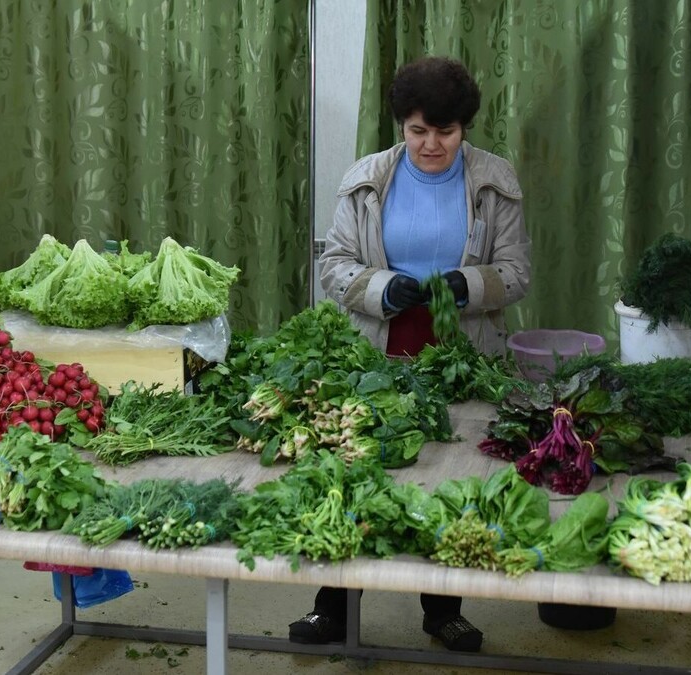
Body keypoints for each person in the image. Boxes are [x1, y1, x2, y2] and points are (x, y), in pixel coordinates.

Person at [290, 56, 531, 652]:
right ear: (402, 125)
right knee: (358, 471)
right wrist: (378, 287)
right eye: (418, 131)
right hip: (381, 345)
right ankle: (335, 608)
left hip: (462, 348)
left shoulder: (494, 181)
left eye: (445, 133)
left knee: (449, 474)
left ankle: (443, 609)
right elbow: (334, 263)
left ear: (464, 128)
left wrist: (468, 286)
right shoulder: (367, 179)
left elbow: (518, 272)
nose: (431, 145)